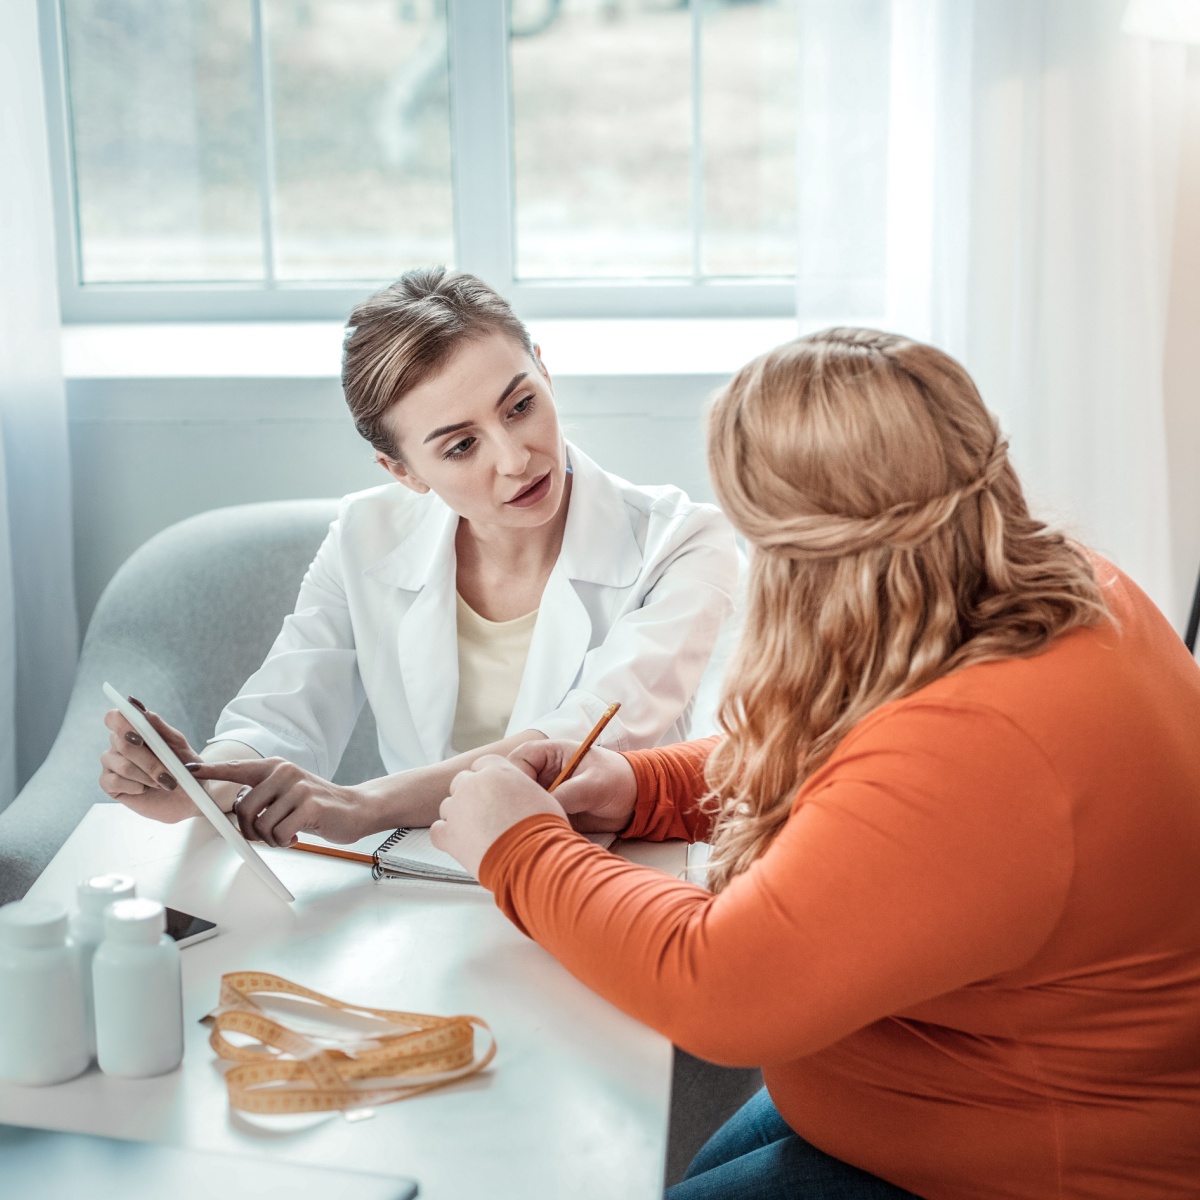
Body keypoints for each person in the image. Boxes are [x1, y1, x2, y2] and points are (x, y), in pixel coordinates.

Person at [431, 328, 1200, 1199]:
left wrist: (521, 849)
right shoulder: (1058, 585)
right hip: (949, 1090)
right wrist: (648, 784)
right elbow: (863, 759)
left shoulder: (987, 749)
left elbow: (719, 986)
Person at [99, 268, 738, 847]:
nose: (516, 459)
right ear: (403, 470)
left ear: (544, 370)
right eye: (461, 446)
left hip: (605, 877)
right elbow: (284, 713)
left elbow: (570, 747)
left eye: (521, 406)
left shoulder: (683, 544)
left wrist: (364, 804)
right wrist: (204, 782)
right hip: (413, 879)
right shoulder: (363, 536)